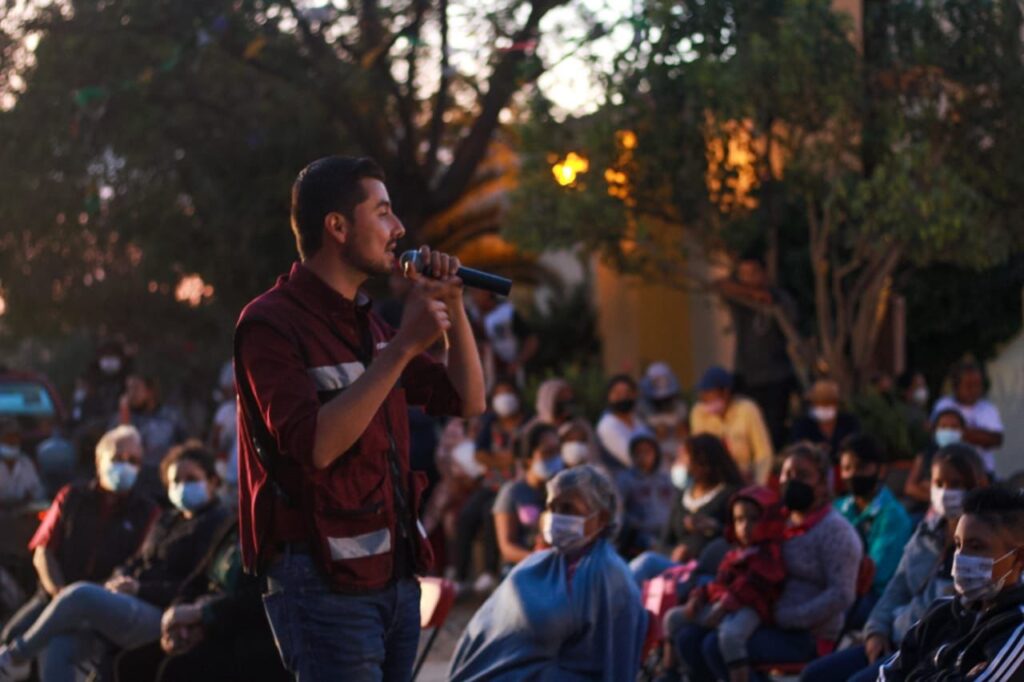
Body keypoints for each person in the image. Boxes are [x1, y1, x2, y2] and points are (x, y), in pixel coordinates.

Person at [234, 156, 485, 681]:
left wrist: (453, 307)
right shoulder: (270, 324)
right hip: (321, 580)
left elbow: (468, 400)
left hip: (392, 577)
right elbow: (316, 446)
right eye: (384, 212)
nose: (399, 230)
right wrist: (401, 348)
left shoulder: (366, 321)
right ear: (337, 227)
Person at [0, 443, 229, 682]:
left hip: (164, 613)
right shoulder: (168, 520)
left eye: (191, 479)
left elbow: (193, 584)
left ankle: (15, 657)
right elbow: (138, 560)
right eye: (176, 481)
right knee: (61, 643)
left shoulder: (215, 525)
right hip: (119, 600)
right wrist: (121, 579)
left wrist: (140, 589)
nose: (182, 487)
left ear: (212, 480)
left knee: (80, 594)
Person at [801, 443, 989, 682]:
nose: (945, 493)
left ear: (976, 484)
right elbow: (897, 587)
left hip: (926, 652)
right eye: (939, 484)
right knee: (814, 675)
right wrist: (875, 630)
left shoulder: (980, 547)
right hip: (890, 638)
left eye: (956, 484)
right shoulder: (927, 531)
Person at [676, 443, 862, 680]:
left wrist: (788, 616)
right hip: (760, 617)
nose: (792, 481)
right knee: (689, 637)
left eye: (803, 475)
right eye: (787, 474)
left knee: (716, 646)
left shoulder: (837, 532)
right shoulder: (776, 521)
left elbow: (842, 594)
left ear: (823, 484)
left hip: (805, 634)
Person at [448, 465, 648, 681]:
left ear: (601, 518)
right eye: (552, 507)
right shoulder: (539, 562)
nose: (556, 516)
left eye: (568, 509)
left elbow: (612, 662)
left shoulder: (611, 577)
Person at [0, 426, 158, 658]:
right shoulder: (71, 496)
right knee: (11, 636)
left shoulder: (148, 512)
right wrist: (61, 596)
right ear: (99, 459)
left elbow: (139, 565)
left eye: (133, 460)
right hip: (52, 596)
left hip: (106, 604)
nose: (125, 465)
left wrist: (90, 600)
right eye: (117, 458)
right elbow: (43, 551)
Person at [877, 487, 1024, 680]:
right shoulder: (942, 610)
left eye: (977, 547)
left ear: (1019, 557)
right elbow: (887, 674)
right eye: (958, 545)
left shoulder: (1016, 628)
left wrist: (919, 674)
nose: (961, 557)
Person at [112, 522, 289, 682]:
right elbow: (196, 579)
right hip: (197, 623)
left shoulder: (281, 537)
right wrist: (178, 613)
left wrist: (204, 614)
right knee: (130, 663)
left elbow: (259, 599)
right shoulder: (234, 526)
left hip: (240, 634)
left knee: (176, 669)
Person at [663, 485, 786, 682]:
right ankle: (669, 673)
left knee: (730, 637)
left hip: (750, 609)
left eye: (753, 519)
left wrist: (724, 605)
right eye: (739, 520)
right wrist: (699, 597)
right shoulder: (733, 553)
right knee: (672, 618)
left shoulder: (768, 553)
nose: (745, 526)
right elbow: (719, 582)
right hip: (722, 606)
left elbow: (752, 584)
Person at [629, 434, 744, 584]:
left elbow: (742, 539)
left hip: (708, 575)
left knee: (648, 562)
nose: (679, 464)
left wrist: (714, 527)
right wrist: (675, 552)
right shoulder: (682, 497)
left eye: (684, 458)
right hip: (678, 571)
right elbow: (664, 542)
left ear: (703, 462)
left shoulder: (731, 495)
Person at [714, 255, 799, 449]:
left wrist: (765, 298)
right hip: (746, 376)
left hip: (776, 376)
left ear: (764, 274)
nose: (748, 278)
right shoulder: (740, 298)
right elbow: (720, 285)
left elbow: (790, 318)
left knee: (773, 432)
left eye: (752, 273)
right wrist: (751, 293)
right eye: (743, 274)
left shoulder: (780, 299)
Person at [453, 379, 525, 590]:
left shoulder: (528, 423)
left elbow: (521, 456)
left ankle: (489, 572)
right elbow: (480, 455)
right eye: (499, 393)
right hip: (491, 484)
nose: (504, 398)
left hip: (514, 487)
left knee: (491, 512)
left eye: (509, 391)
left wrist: (495, 458)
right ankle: (460, 575)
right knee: (466, 515)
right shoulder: (489, 423)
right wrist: (505, 459)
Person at [833, 434, 913, 622]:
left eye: (861, 467)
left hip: (874, 599)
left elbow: (876, 574)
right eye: (846, 468)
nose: (853, 474)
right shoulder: (838, 507)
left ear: (880, 470)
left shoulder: (893, 516)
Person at [493, 423, 562, 568]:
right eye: (547, 452)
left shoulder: (563, 490)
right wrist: (538, 559)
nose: (555, 458)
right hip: (521, 569)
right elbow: (506, 547)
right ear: (528, 458)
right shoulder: (512, 492)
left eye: (557, 451)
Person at [689, 366, 773, 485]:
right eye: (703, 394)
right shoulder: (698, 412)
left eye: (709, 393)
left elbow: (763, 453)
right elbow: (698, 453)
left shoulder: (747, 409)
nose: (704, 398)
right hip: (714, 481)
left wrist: (758, 484)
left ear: (725, 392)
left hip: (744, 478)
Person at [116, 373, 188, 499]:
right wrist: (124, 418)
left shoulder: (171, 416)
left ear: (150, 392)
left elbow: (185, 446)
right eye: (128, 389)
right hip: (135, 485)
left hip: (165, 483)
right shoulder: (123, 418)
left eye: (135, 388)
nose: (130, 394)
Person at [931, 359, 1004, 476]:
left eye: (977, 385)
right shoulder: (943, 405)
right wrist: (978, 435)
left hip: (983, 471)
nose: (974, 390)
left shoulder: (988, 408)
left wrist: (959, 432)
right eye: (969, 386)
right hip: (949, 471)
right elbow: (934, 432)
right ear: (955, 386)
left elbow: (996, 439)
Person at [617, 434, 675, 555]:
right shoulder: (625, 480)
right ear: (632, 455)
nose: (643, 456)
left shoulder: (666, 479)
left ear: (656, 453)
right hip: (641, 534)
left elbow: (675, 506)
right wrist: (636, 524)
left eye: (647, 451)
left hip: (668, 532)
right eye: (638, 452)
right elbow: (620, 511)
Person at [468, 289, 539, 388]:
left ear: (487, 292)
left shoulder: (507, 313)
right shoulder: (471, 315)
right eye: (472, 293)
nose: (473, 297)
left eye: (476, 292)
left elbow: (531, 339)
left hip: (507, 371)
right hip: (482, 374)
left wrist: (518, 362)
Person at [904, 407, 968, 508]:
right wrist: (937, 499)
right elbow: (910, 487)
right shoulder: (925, 454)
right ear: (935, 430)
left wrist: (928, 486)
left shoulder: (970, 457)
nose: (948, 431)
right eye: (943, 427)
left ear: (963, 430)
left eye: (954, 427)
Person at [788, 379, 860, 459]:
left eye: (828, 403)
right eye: (819, 404)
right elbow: (796, 448)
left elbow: (856, 444)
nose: (824, 408)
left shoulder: (849, 422)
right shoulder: (802, 425)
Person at [596, 374, 650, 470]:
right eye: (618, 394)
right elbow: (631, 459)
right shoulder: (607, 425)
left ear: (634, 395)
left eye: (627, 393)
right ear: (609, 396)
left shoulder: (637, 420)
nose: (623, 397)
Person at [639, 362, 689, 461]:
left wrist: (681, 430)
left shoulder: (680, 407)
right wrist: (655, 434)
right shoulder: (642, 409)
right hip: (655, 458)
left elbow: (684, 433)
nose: (662, 401)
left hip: (678, 457)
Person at [0, 419, 43, 510]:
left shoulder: (26, 463)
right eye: (8, 437)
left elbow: (38, 491)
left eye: (15, 437)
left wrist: (31, 496)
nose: (12, 441)